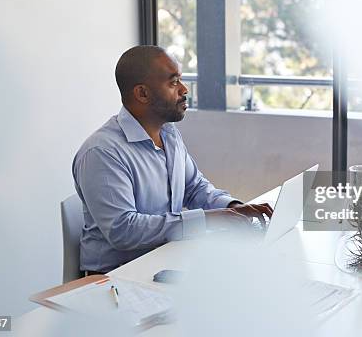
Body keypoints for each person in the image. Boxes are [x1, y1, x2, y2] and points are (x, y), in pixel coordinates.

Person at [73, 45, 272, 274]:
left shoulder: (168, 134)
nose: (184, 89)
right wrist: (210, 220)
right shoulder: (102, 152)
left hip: (165, 261)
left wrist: (234, 208)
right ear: (142, 94)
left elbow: (194, 188)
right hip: (117, 279)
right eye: (173, 82)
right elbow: (123, 231)